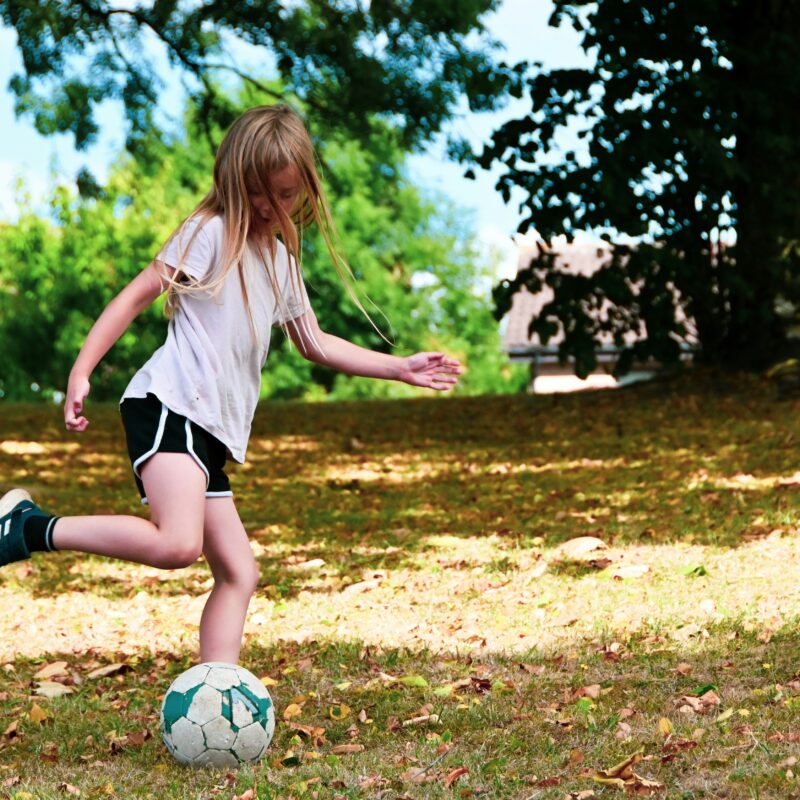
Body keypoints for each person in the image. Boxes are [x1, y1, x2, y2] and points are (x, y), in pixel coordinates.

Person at [0, 104, 462, 665]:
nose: (271, 207)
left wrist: (399, 367)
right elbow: (138, 293)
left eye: (285, 194)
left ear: (304, 187)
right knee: (177, 545)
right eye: (259, 193)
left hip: (209, 430)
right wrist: (81, 368)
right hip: (171, 406)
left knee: (240, 572)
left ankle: (216, 689)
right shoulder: (211, 233)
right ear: (234, 182)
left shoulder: (281, 259)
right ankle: (30, 527)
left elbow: (312, 341)